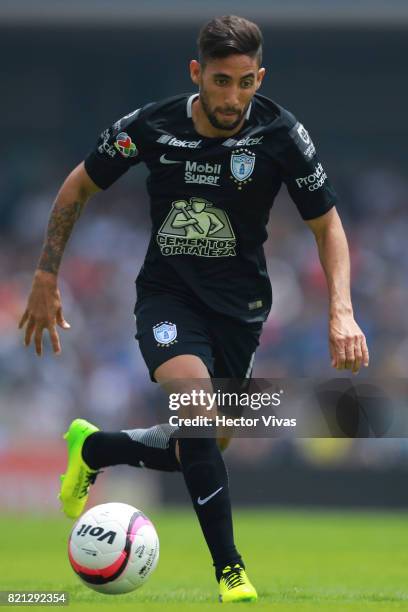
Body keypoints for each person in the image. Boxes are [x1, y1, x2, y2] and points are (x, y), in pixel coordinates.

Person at [18, 15, 369, 603]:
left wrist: (342, 310)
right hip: (168, 298)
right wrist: (45, 274)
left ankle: (97, 448)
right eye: (221, 80)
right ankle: (229, 568)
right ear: (196, 73)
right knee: (198, 414)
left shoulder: (281, 133)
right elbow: (78, 185)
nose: (233, 96)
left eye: (245, 82)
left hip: (241, 310)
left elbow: (327, 224)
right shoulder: (151, 126)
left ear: (260, 77)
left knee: (201, 444)